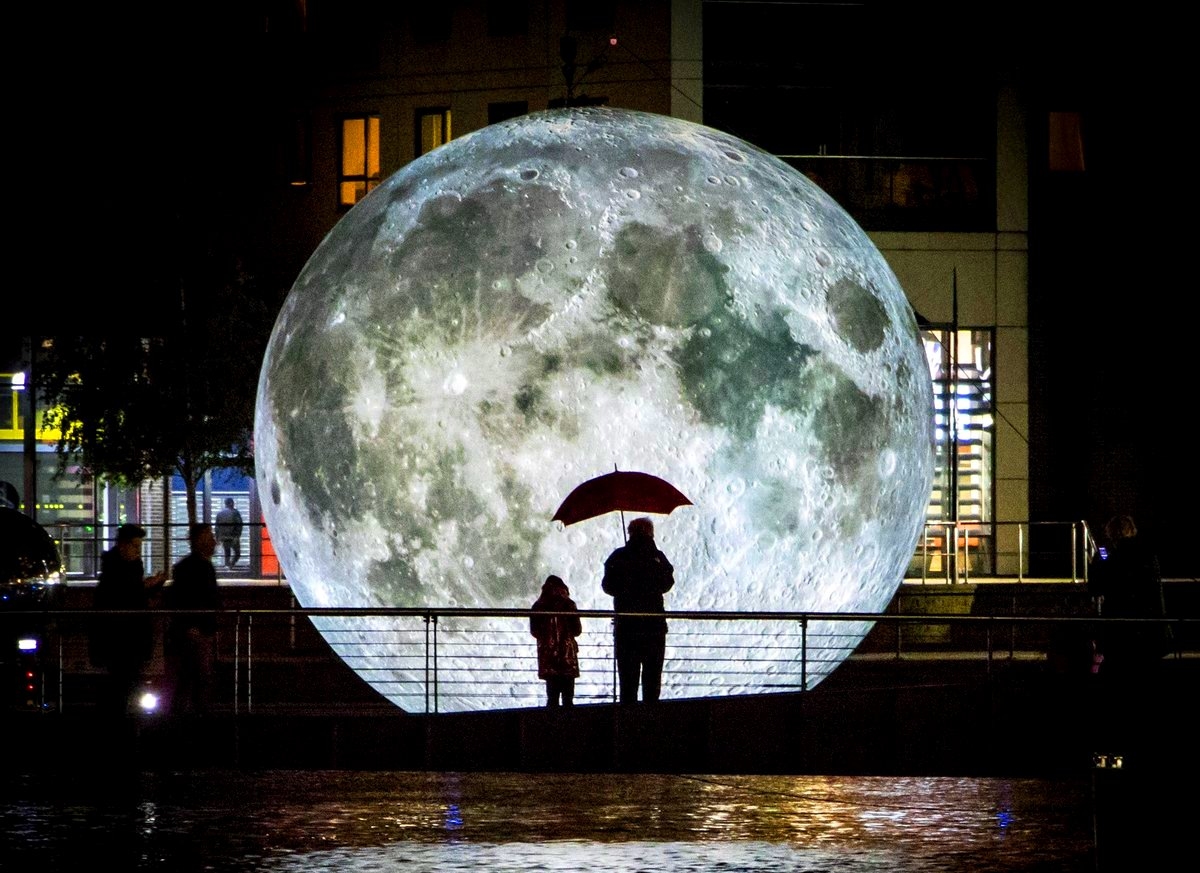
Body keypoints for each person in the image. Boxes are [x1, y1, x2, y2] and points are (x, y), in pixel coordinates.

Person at [91, 523, 169, 715]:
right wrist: (147, 587)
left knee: (126, 682)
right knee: (122, 682)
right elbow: (124, 596)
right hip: (120, 639)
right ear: (123, 545)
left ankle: (124, 719)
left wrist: (149, 587)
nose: (138, 551)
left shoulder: (129, 566)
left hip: (132, 637)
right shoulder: (116, 570)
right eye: (135, 546)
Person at [601, 516, 675, 703]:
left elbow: (608, 586)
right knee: (652, 679)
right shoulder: (657, 557)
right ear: (650, 533)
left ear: (630, 532)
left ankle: (627, 723)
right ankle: (650, 722)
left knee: (628, 681)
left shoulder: (618, 556)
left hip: (626, 627)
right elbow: (667, 583)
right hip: (654, 627)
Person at [1088, 514, 1170, 679]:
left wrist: (1098, 562)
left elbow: (1096, 587)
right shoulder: (1147, 554)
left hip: (1119, 628)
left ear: (1112, 534)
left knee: (1120, 671)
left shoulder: (1112, 557)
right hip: (1149, 626)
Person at [165, 522, 222, 715]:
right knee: (197, 676)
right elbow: (187, 598)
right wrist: (193, 625)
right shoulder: (197, 568)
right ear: (199, 541)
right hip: (196, 632)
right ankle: (193, 718)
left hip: (196, 630)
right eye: (209, 536)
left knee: (191, 676)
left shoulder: (190, 566)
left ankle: (184, 717)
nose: (214, 541)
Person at [529, 574, 583, 707]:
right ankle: (569, 724)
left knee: (552, 698)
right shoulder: (569, 604)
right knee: (568, 699)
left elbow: (535, 631)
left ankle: (551, 725)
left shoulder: (538, 606)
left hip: (549, 657)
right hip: (567, 656)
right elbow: (577, 630)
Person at [214, 498, 244, 569]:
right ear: (231, 503)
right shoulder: (235, 512)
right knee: (237, 553)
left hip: (224, 537)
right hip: (233, 537)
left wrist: (218, 537)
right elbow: (239, 525)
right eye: (233, 503)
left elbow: (217, 527)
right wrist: (237, 536)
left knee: (227, 553)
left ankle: (227, 566)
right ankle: (231, 565)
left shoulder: (220, 514)